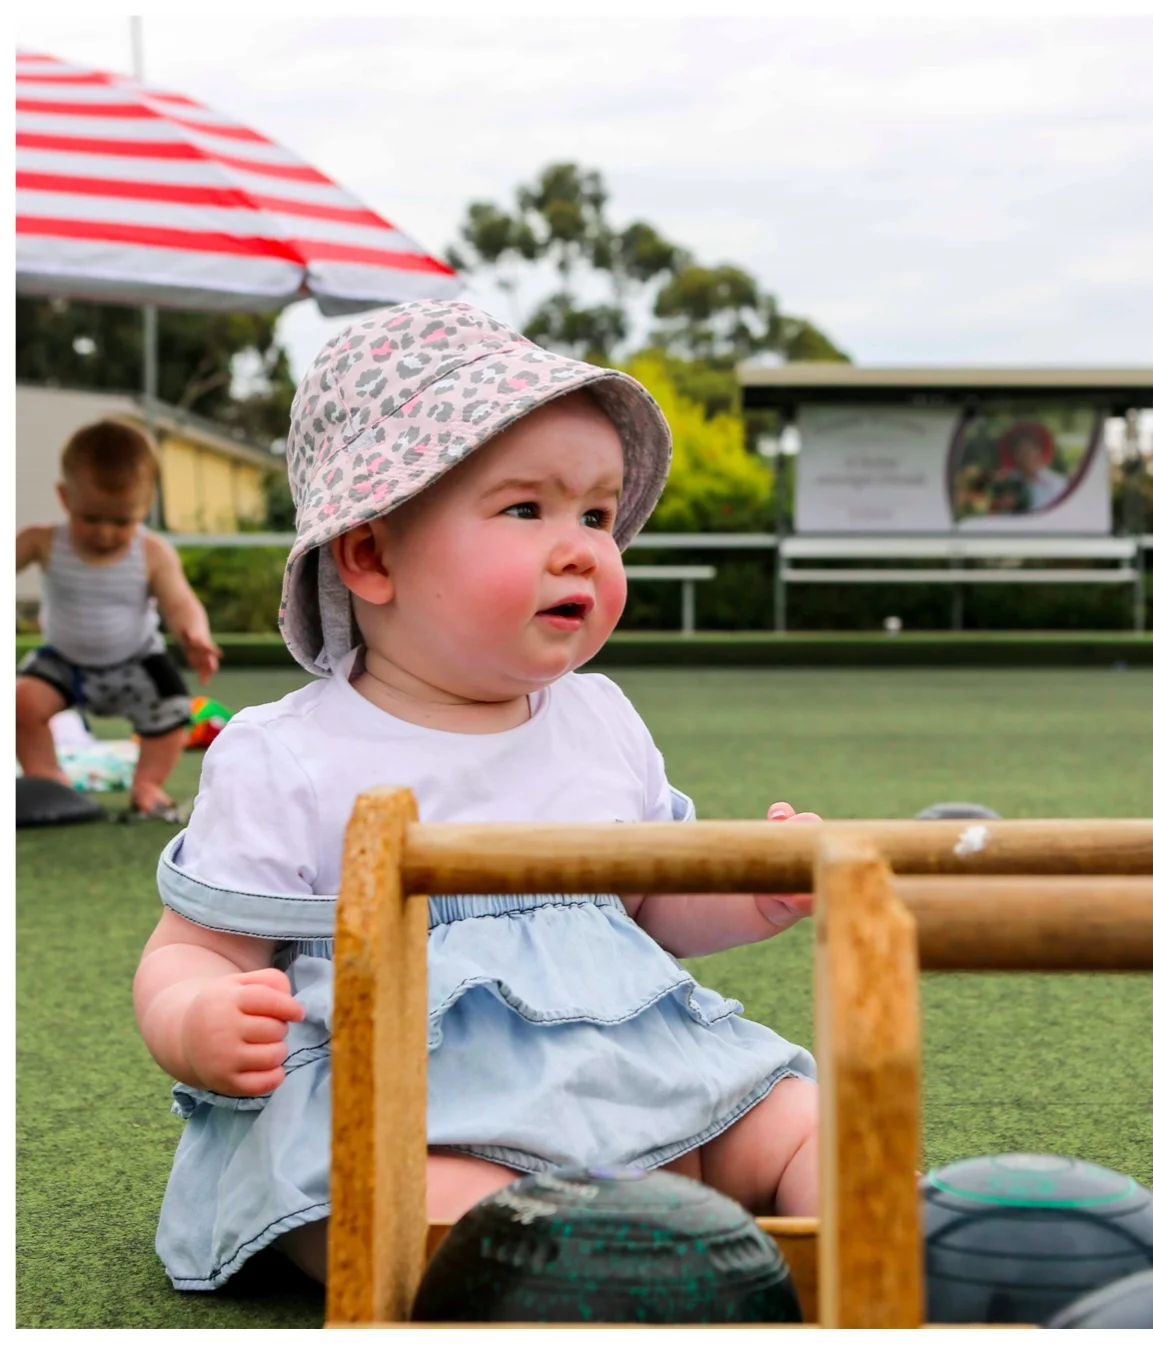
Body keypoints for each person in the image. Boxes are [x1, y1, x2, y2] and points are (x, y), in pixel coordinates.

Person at [132, 302, 822, 1293]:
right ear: (371, 556)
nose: (581, 548)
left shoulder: (600, 719)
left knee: (804, 1119)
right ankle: (570, 1280)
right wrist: (196, 1017)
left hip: (645, 1082)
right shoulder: (287, 755)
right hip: (421, 1115)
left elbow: (650, 903)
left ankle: (874, 1256)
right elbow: (192, 949)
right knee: (425, 1213)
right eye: (526, 510)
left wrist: (753, 891)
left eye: (597, 515)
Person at [16, 420, 222, 819]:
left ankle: (147, 784)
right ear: (65, 497)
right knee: (20, 701)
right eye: (91, 519)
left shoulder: (152, 552)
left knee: (174, 710)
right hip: (64, 661)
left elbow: (181, 603)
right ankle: (46, 778)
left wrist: (195, 635)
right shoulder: (41, 541)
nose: (106, 534)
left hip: (136, 661)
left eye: (122, 521)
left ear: (146, 505)